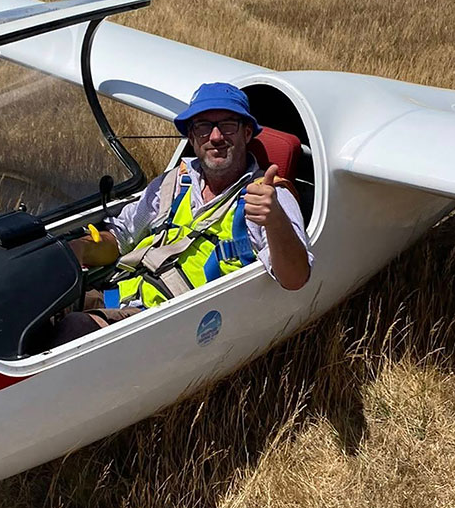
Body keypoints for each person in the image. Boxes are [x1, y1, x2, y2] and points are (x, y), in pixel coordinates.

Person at [37, 82, 313, 349]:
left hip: (169, 322)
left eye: (228, 125)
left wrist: (274, 218)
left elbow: (295, 278)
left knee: (75, 328)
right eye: (203, 127)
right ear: (192, 138)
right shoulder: (173, 182)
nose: (215, 137)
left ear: (247, 133)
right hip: (116, 292)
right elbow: (122, 236)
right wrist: (79, 251)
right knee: (31, 300)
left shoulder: (270, 198)